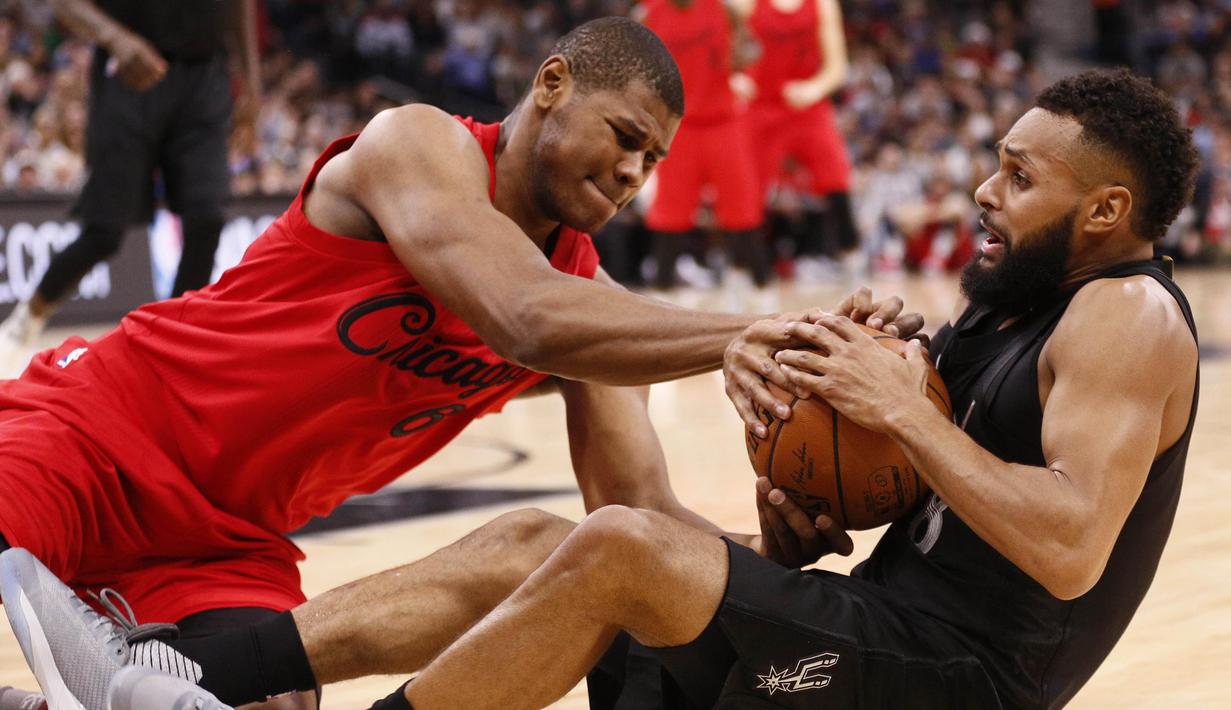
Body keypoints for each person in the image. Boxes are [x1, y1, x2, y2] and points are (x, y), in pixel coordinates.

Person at [110, 67, 1199, 710]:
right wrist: (797, 527)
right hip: (869, 636)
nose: (983, 189)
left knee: (626, 547)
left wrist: (904, 409)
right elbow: (926, 506)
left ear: (1103, 211)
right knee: (548, 539)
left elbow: (1066, 546)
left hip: (959, 681)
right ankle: (187, 670)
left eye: (1018, 175)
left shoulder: (1127, 316)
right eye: (995, 163)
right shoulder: (1002, 307)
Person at [0, 17, 920, 710]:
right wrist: (740, 331)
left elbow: (635, 511)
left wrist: (766, 557)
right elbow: (521, 315)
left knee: (265, 697)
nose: (636, 170)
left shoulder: (586, 299)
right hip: (95, 431)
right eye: (625, 134)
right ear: (553, 82)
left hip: (229, 543)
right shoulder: (419, 143)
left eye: (653, 158)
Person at [0, 0, 261, 375]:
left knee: (207, 217)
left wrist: (251, 79)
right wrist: (114, 38)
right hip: (128, 70)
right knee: (104, 232)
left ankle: (172, 342)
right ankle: (28, 318)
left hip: (204, 74)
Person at [638, 0, 772, 291]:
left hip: (724, 121)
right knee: (669, 217)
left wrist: (744, 76)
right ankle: (660, 300)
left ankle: (765, 296)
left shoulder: (725, 8)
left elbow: (754, 49)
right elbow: (639, 72)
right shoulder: (648, 15)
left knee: (743, 213)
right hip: (678, 126)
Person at [744, 0, 861, 276]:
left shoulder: (822, 4)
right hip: (761, 106)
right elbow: (725, 43)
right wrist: (737, 76)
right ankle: (749, 272)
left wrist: (814, 88)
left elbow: (838, 67)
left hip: (808, 105)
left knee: (837, 180)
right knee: (748, 195)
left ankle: (854, 260)